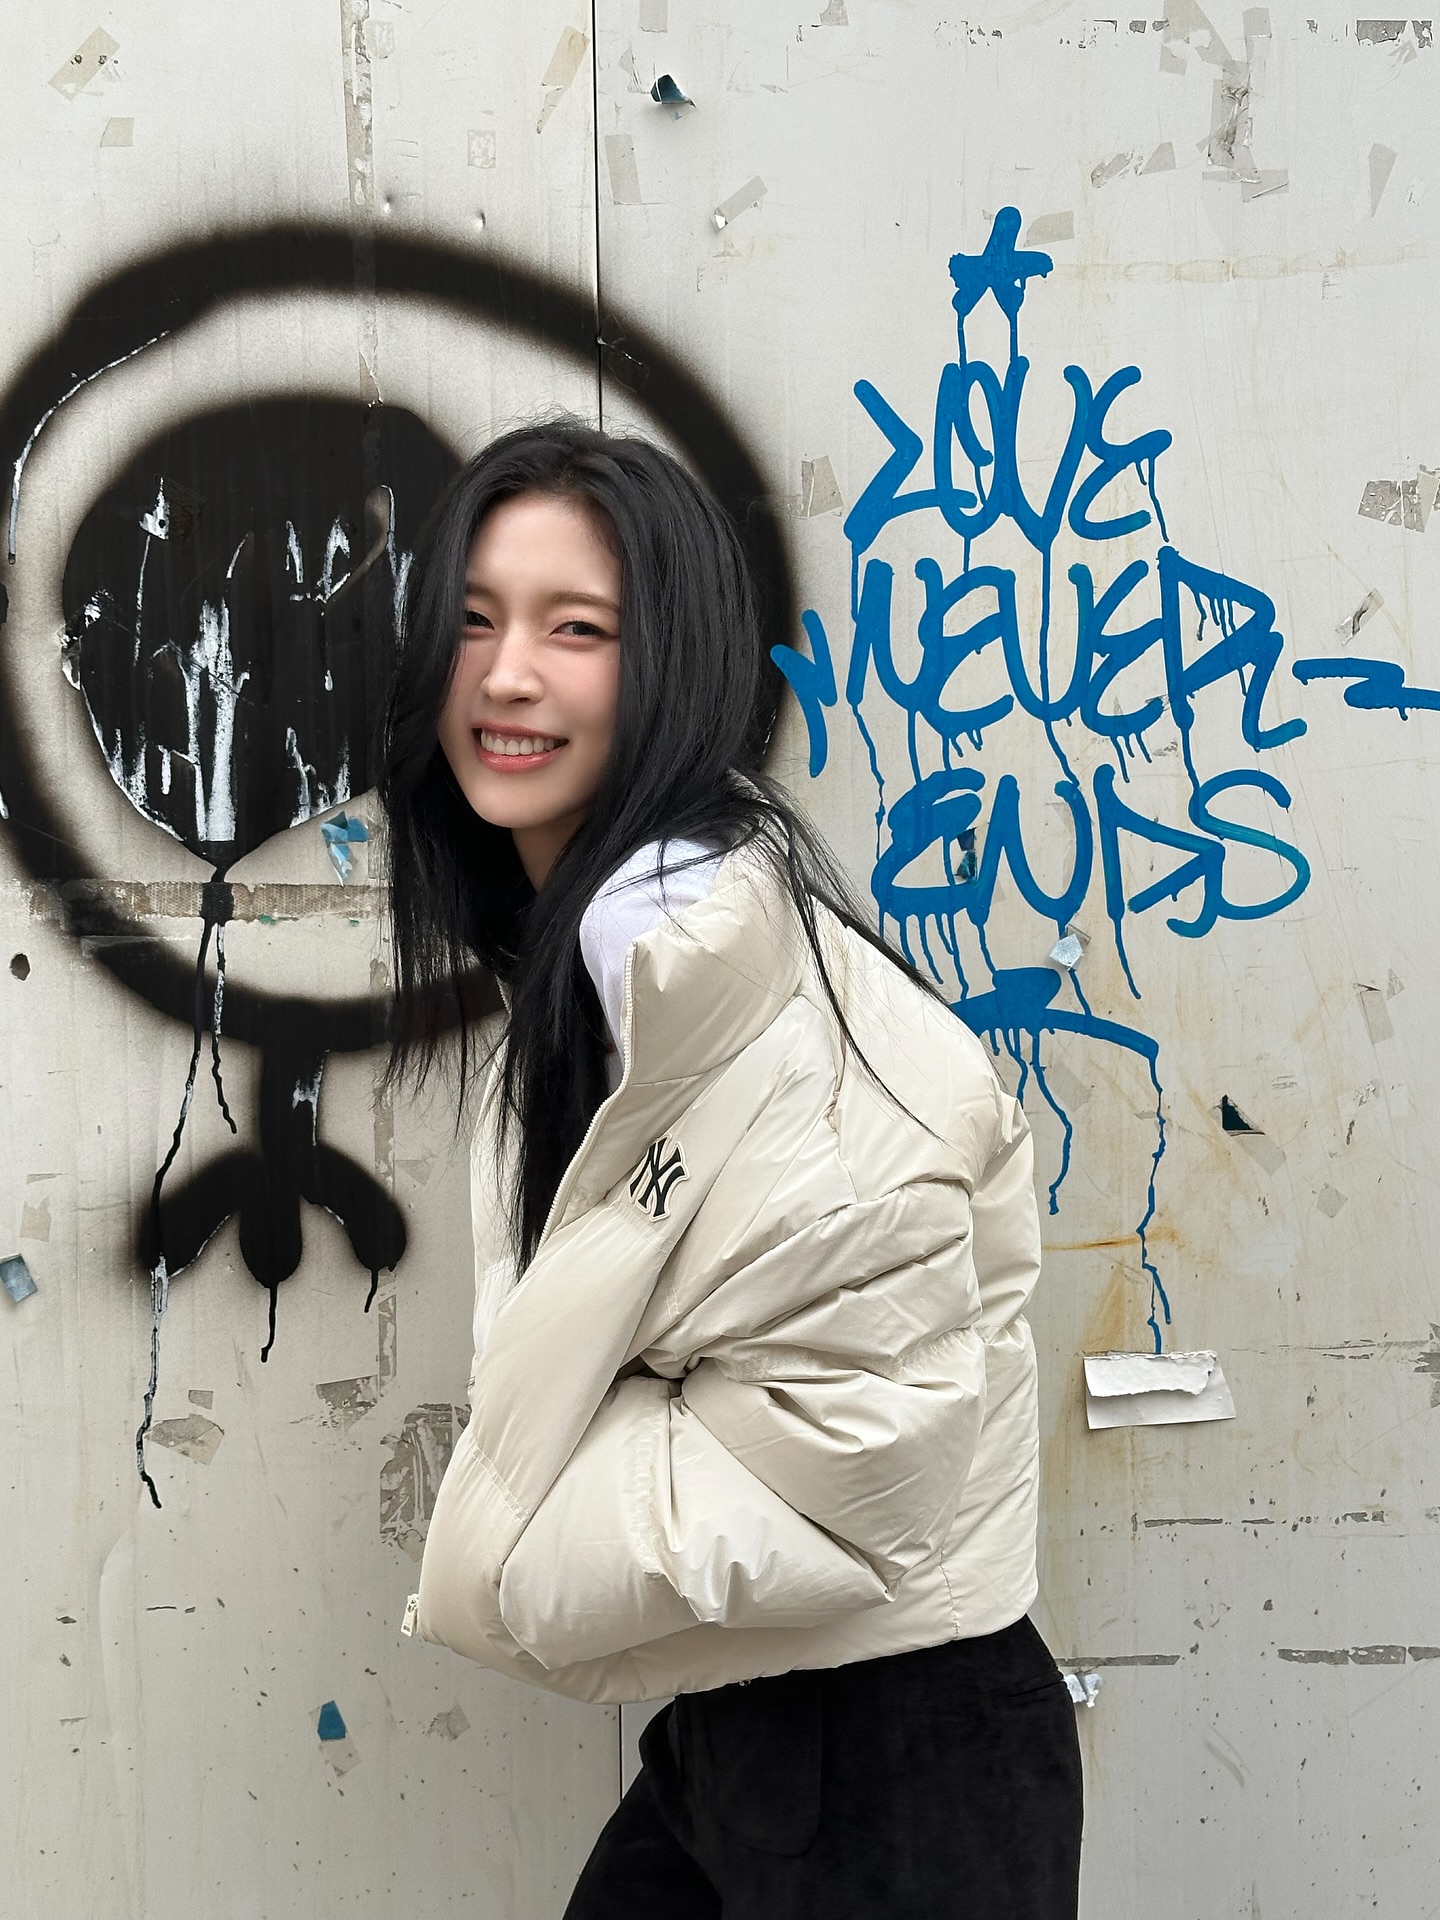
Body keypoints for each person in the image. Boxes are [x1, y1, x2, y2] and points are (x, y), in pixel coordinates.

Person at [379, 421, 1082, 1918]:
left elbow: (868, 1442)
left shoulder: (737, 998)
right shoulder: (630, 976)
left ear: (676, 661)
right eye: (476, 620)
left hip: (899, 1748)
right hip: (760, 1724)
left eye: (578, 630)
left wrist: (515, 1546)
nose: (506, 675)